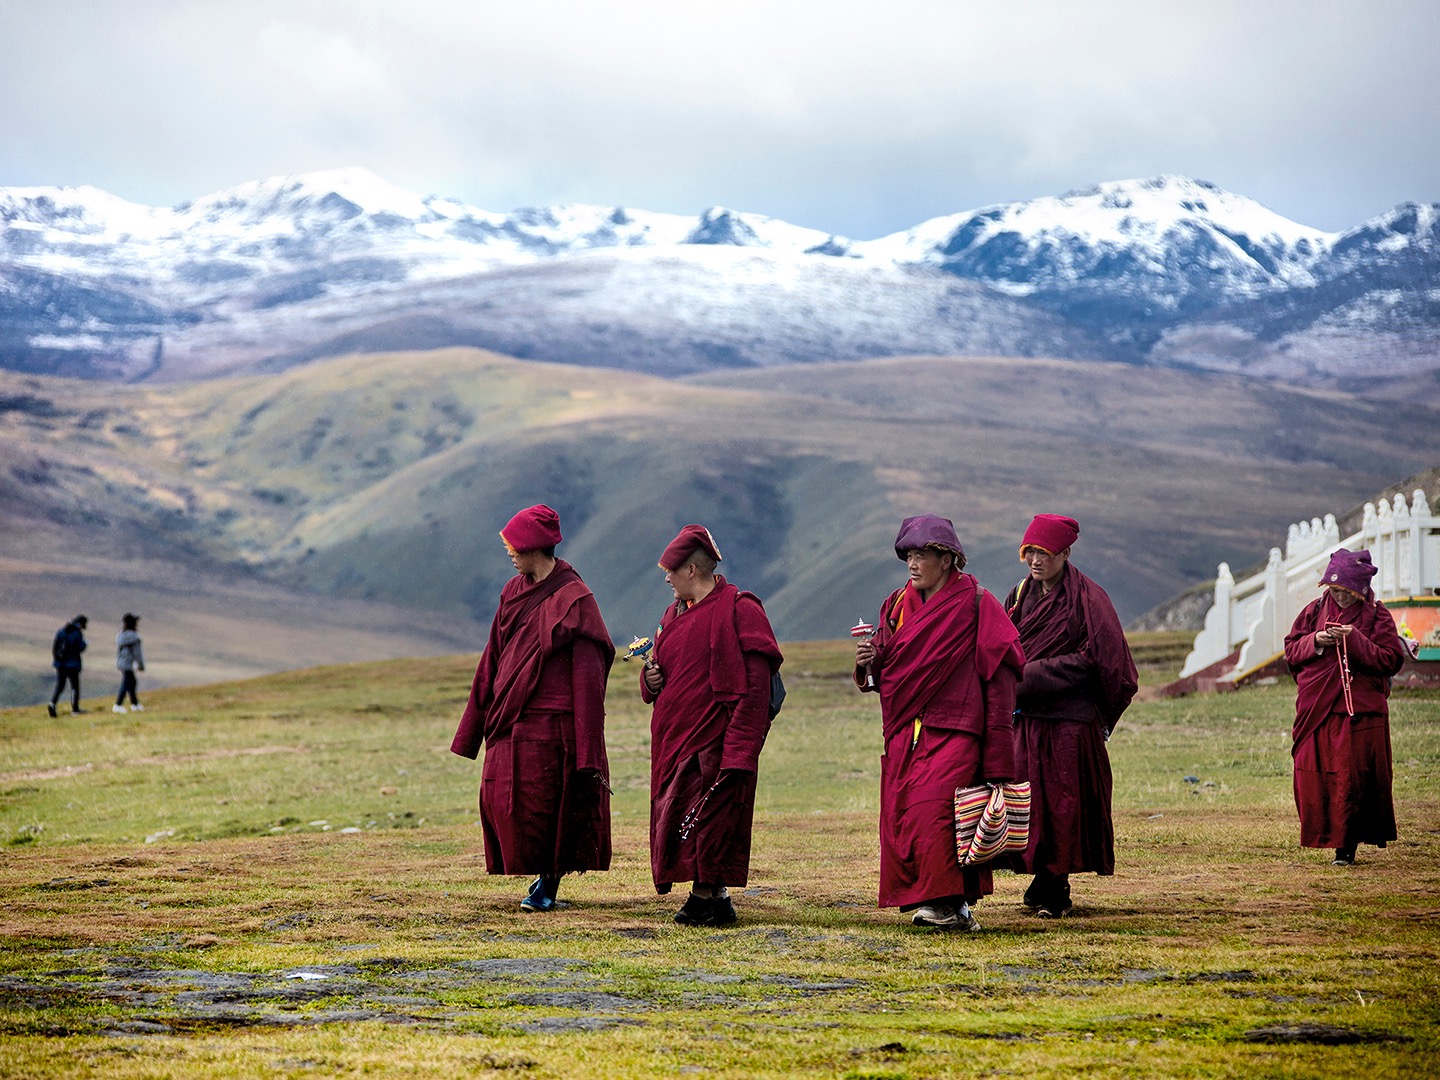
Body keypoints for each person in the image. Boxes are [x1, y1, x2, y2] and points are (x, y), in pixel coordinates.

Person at [853, 514, 1025, 931]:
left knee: (939, 815)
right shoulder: (895, 604)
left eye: (922, 556)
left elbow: (1001, 675)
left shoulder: (978, 604)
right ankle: (949, 904)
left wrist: (999, 750)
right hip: (904, 732)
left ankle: (945, 905)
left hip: (957, 728)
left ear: (947, 559)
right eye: (908, 556)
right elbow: (884, 665)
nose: (912, 565)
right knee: (907, 817)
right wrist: (868, 664)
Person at [451, 504, 616, 912]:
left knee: (552, 804)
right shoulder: (512, 591)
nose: (508, 550)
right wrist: (473, 727)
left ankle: (548, 882)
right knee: (506, 801)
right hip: (510, 717)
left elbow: (588, 673)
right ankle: (535, 876)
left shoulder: (575, 599)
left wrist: (587, 741)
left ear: (534, 545)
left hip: (554, 724)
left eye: (514, 543)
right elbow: (493, 657)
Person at [641, 525, 783, 927]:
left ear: (691, 570)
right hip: (674, 737)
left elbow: (755, 688)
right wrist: (650, 682)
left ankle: (706, 895)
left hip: (715, 739)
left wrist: (741, 749)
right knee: (677, 814)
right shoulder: (673, 614)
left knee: (712, 817)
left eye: (670, 570)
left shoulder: (740, 608)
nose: (665, 578)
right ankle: (711, 895)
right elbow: (667, 673)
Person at [1003, 514, 1137, 918]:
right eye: (1030, 553)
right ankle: (1041, 876)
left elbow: (1099, 661)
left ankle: (1056, 884)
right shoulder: (1020, 594)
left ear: (1066, 553)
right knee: (1030, 803)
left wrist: (1029, 675)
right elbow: (1005, 643)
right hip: (1028, 719)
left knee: (1062, 804)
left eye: (1044, 553)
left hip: (1068, 722)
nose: (1035, 561)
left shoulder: (1089, 599)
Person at [1284, 548, 1406, 866]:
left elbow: (1390, 660)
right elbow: (1292, 651)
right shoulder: (1313, 612)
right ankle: (1323, 834)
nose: (1339, 597)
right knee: (1315, 774)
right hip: (1318, 711)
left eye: (1346, 592)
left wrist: (1354, 640)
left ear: (1360, 591)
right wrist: (1317, 641)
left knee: (1353, 779)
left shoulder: (1378, 617)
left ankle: (1346, 846)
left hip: (1359, 715)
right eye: (1334, 590)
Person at [47, 615, 88, 717]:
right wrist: (85, 644)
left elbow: (55, 647)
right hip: (72, 665)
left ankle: (52, 703)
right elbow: (80, 648)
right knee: (75, 687)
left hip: (60, 664)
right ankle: (75, 709)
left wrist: (57, 660)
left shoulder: (61, 631)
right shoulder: (77, 633)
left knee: (60, 686)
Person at [113, 613, 146, 714]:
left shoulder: (121, 635)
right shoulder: (134, 637)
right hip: (129, 664)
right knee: (127, 683)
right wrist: (141, 665)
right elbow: (138, 654)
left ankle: (135, 704)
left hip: (121, 663)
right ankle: (118, 705)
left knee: (131, 682)